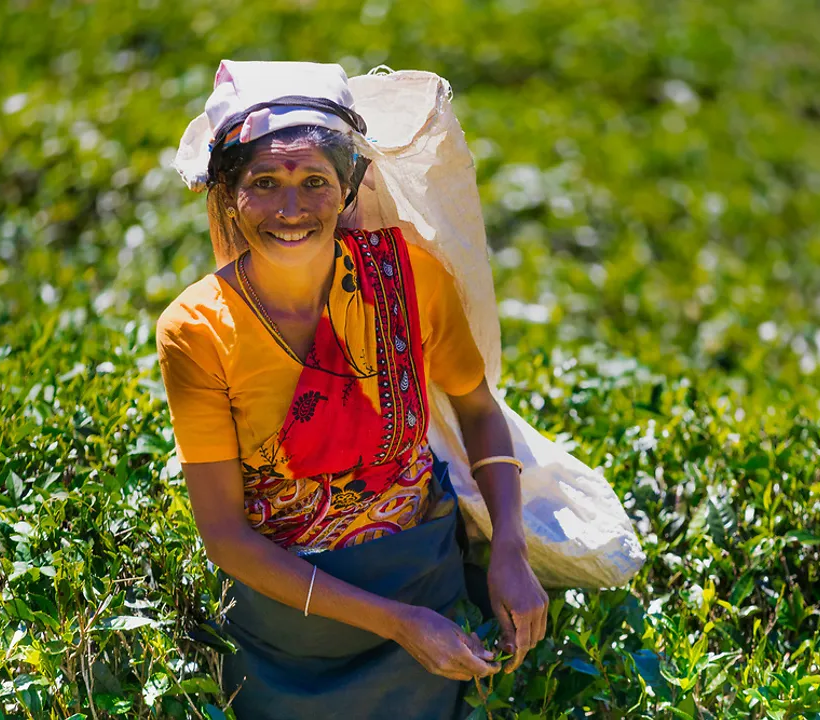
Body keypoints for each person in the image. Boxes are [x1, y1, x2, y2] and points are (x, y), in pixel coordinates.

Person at [157, 60, 549, 719]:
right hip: (288, 632)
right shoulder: (195, 330)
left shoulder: (412, 279)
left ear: (348, 188)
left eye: (314, 181)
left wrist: (508, 548)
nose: (291, 209)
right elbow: (225, 537)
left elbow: (477, 408)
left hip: (424, 587)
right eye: (262, 183)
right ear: (227, 194)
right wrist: (396, 623)